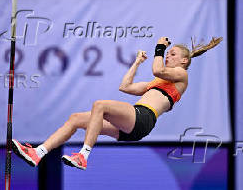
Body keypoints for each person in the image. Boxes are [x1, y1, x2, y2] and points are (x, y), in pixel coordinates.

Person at [12, 36, 222, 170]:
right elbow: (125, 87)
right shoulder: (157, 82)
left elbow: (158, 68)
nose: (167, 57)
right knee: (76, 119)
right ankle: (38, 153)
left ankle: (83, 156)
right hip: (132, 124)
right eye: (166, 54)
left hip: (143, 118)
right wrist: (136, 63)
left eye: (172, 54)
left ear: (184, 61)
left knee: (100, 105)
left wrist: (159, 47)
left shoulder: (181, 75)